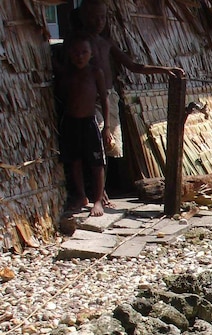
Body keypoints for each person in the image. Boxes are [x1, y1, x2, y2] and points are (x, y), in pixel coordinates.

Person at [72, 0, 184, 205]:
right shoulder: (78, 46)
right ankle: (95, 193)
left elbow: (134, 66)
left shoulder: (106, 43)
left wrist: (164, 69)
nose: (98, 22)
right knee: (92, 143)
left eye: (102, 18)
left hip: (108, 96)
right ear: (82, 17)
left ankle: (101, 190)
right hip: (88, 99)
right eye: (93, 17)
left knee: (108, 145)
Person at [56, 35, 110, 217]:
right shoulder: (67, 73)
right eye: (76, 53)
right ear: (70, 54)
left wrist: (107, 126)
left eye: (84, 52)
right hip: (71, 122)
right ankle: (81, 196)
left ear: (91, 54)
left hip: (89, 122)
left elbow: (104, 99)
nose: (80, 56)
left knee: (97, 163)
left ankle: (97, 199)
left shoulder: (95, 73)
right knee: (75, 161)